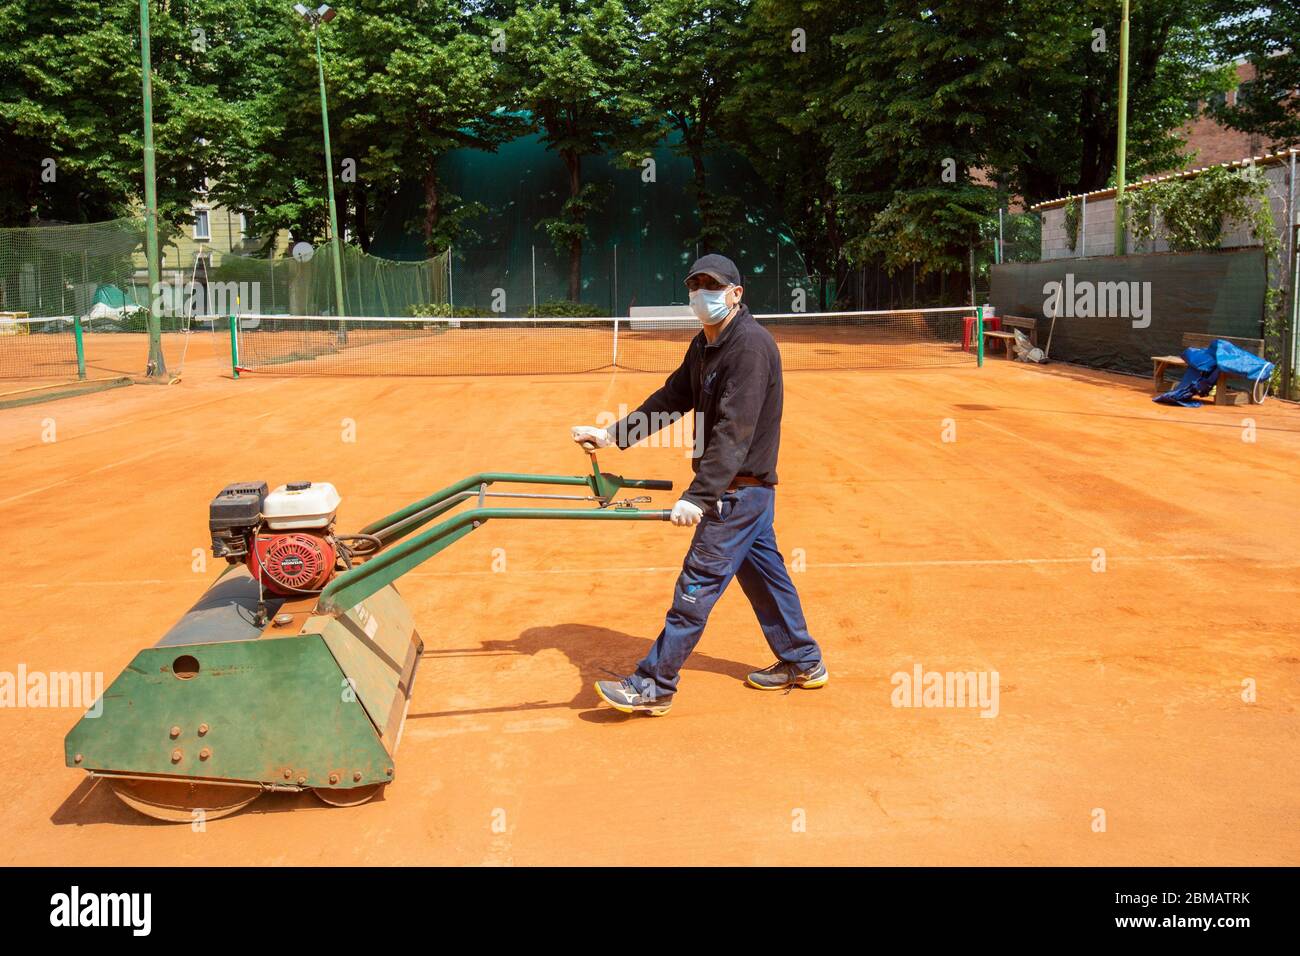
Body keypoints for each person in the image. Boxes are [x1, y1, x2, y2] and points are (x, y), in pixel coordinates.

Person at [571, 253, 826, 716]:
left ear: (736, 293)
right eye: (695, 285)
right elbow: (673, 397)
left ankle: (654, 684)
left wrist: (700, 497)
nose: (701, 294)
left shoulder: (748, 347)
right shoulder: (706, 344)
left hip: (736, 493)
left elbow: (734, 430)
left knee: (697, 585)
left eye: (713, 285)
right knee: (766, 578)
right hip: (746, 494)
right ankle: (803, 660)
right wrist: (611, 435)